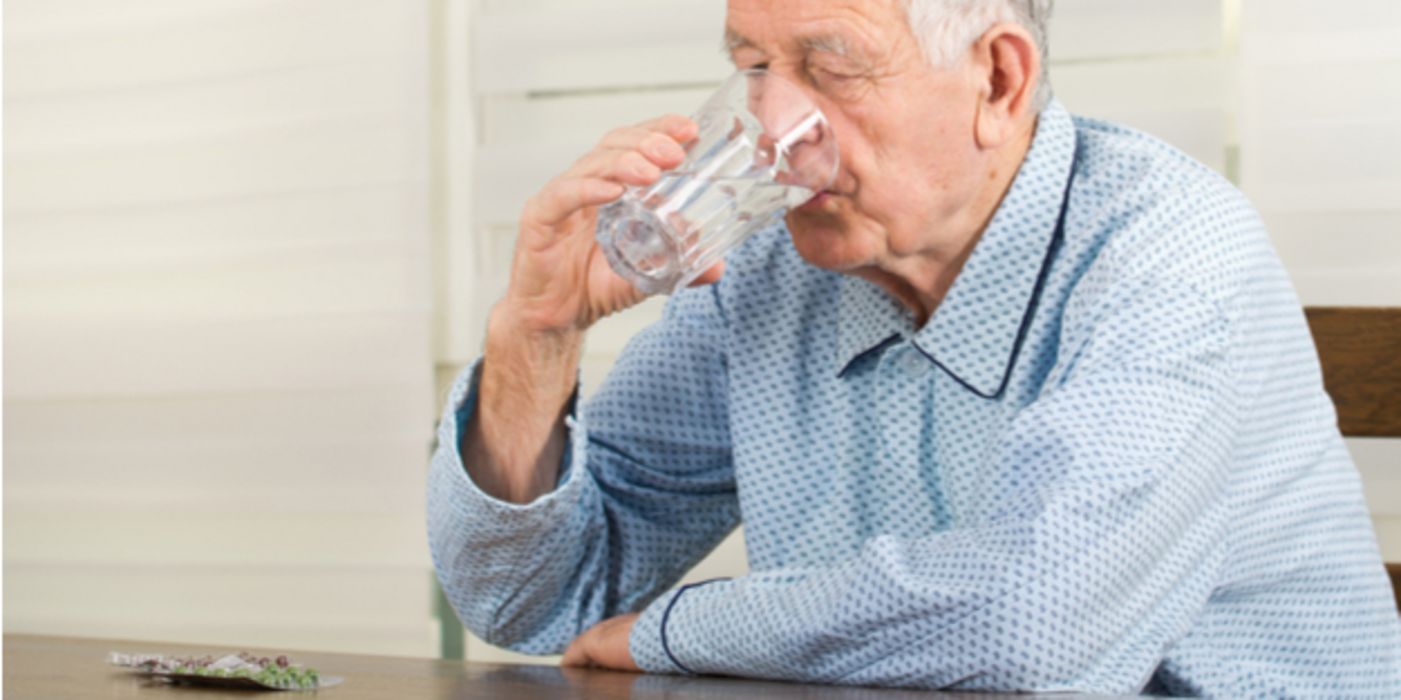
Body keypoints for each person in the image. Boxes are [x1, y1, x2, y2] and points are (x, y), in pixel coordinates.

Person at [428, 0, 1401, 695]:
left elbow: (1032, 624)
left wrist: (675, 630)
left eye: (831, 67)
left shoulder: (1170, 249)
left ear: (997, 78)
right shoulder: (769, 270)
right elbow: (526, 599)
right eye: (755, 67)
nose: (772, 125)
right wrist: (536, 335)